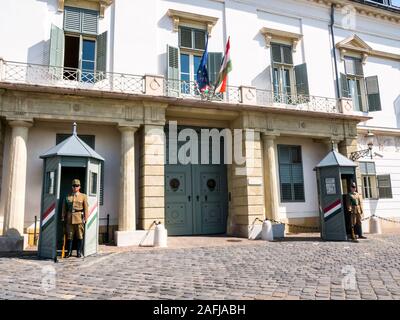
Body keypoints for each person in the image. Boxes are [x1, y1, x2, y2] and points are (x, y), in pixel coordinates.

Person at [61, 179, 88, 258]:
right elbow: (64, 207)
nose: (75, 187)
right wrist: (63, 216)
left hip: (79, 218)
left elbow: (86, 208)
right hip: (69, 219)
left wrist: (86, 218)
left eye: (77, 186)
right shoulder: (67, 196)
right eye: (74, 186)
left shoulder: (83, 196)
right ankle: (69, 252)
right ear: (72, 187)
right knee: (70, 236)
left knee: (79, 236)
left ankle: (79, 252)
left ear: (79, 187)